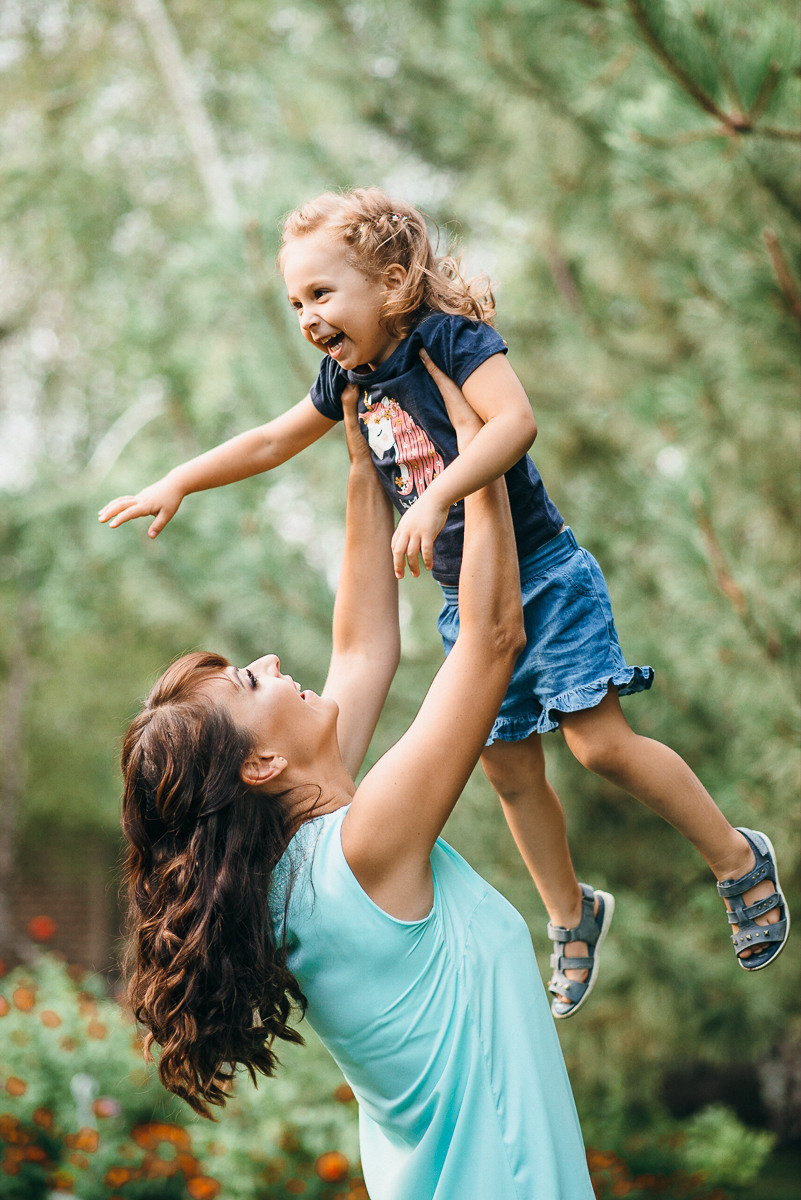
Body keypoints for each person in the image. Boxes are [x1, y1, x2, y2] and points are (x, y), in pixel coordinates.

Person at [102, 187, 789, 1018]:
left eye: (321, 293)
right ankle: (570, 913)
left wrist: (435, 497)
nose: (308, 317)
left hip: (543, 574)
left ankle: (735, 858)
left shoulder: (450, 340)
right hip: (467, 598)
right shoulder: (348, 377)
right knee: (507, 771)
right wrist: (180, 479)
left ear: (390, 283)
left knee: (598, 746)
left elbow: (512, 424)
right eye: (295, 302)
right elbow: (272, 438)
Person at [120, 379, 596, 1199]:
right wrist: (472, 450)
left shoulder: (297, 876)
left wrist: (362, 464)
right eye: (249, 681)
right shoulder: (362, 854)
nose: (271, 661)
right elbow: (491, 637)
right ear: (260, 767)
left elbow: (364, 647)